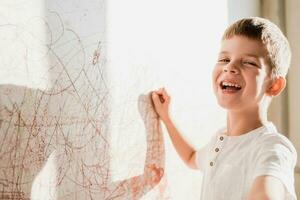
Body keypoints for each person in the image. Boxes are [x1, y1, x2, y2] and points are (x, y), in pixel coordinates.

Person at [151, 17, 298, 200]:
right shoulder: (219, 141)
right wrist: (167, 118)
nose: (230, 67)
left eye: (249, 62)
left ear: (274, 85)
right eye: (224, 59)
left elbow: (267, 195)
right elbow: (191, 158)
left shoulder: (272, 147)